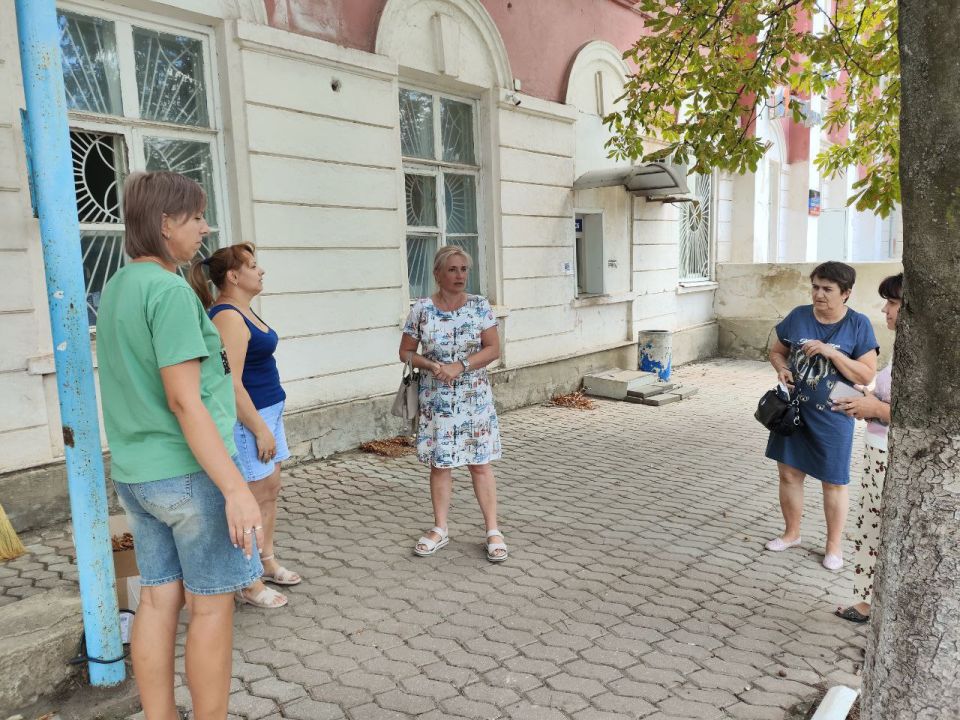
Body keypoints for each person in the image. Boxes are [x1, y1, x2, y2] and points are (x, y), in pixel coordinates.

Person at [96, 171, 263, 720]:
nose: (205, 228)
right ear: (165, 224)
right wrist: (235, 488)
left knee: (156, 597)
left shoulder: (120, 285)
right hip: (191, 473)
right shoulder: (168, 291)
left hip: (137, 475)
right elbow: (185, 401)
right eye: (196, 217)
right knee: (211, 609)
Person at [188, 244, 301, 610]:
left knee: (269, 492)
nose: (261, 271)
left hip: (268, 413)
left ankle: (265, 561)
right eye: (253, 266)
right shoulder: (228, 318)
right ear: (233, 276)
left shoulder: (243, 311)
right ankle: (247, 581)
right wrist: (259, 429)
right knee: (249, 501)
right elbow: (230, 384)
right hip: (249, 419)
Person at [764, 261, 879, 570]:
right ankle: (791, 534)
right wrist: (782, 368)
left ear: (846, 294)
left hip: (836, 412)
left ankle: (833, 546)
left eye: (827, 289)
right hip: (794, 410)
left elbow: (867, 374)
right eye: (815, 287)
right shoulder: (798, 317)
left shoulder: (858, 324)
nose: (819, 294)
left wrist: (833, 353)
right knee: (789, 474)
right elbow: (776, 352)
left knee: (834, 480)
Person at [399, 246, 507, 562]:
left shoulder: (479, 306)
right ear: (437, 274)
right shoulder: (421, 309)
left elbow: (493, 349)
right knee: (441, 464)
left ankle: (492, 530)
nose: (459, 276)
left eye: (463, 269)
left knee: (479, 463)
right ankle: (440, 528)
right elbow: (405, 352)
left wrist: (461, 365)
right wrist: (431, 366)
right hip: (437, 397)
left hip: (474, 396)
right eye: (452, 270)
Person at [833, 273, 901, 622]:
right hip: (878, 451)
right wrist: (867, 400)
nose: (885, 310)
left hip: (896, 456)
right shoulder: (905, 346)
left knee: (882, 525)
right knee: (871, 523)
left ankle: (875, 603)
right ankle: (867, 600)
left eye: (892, 303)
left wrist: (875, 409)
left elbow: (926, 415)